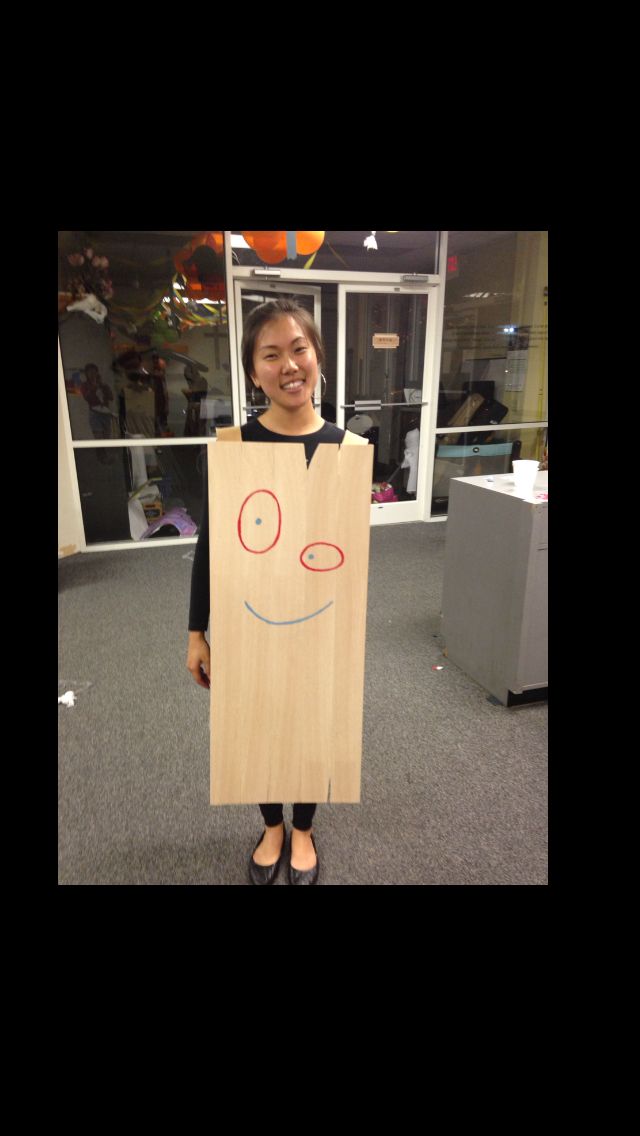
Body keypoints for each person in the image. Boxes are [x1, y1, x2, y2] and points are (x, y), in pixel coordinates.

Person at [186, 299, 368, 885]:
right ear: (253, 370)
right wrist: (197, 631)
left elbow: (349, 557)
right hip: (248, 614)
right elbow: (212, 546)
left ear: (317, 357)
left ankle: (306, 828)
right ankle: (271, 825)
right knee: (258, 716)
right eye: (271, 354)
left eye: (299, 349)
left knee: (316, 715)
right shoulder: (236, 447)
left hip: (320, 612)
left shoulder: (349, 451)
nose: (289, 365)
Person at [80, 363, 115, 440]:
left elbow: (111, 397)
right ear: (86, 374)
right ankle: (100, 451)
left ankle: (106, 451)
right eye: (90, 372)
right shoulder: (85, 385)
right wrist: (94, 387)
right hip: (94, 412)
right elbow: (87, 397)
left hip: (106, 412)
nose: (92, 374)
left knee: (107, 436)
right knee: (98, 437)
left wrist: (102, 385)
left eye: (94, 372)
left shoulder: (103, 385)